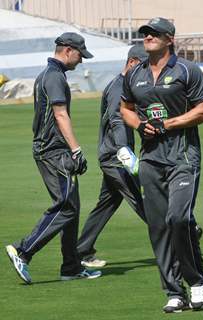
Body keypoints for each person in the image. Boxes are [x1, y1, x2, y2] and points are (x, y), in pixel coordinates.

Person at [120, 17, 203, 313]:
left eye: (154, 34)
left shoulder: (187, 70)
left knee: (179, 219)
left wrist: (169, 124)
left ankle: (196, 282)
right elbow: (125, 109)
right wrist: (140, 125)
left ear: (170, 38)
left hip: (183, 156)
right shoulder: (135, 74)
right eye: (145, 34)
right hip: (150, 159)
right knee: (158, 226)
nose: (148, 37)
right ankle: (174, 292)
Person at [5, 32, 101, 284]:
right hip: (53, 151)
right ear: (68, 50)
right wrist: (76, 149)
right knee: (66, 207)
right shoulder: (55, 77)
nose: (81, 61)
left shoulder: (47, 75)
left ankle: (70, 267)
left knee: (72, 206)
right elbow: (60, 115)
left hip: (50, 149)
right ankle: (23, 251)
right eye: (80, 55)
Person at [77, 45, 148, 268]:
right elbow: (117, 119)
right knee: (142, 199)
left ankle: (81, 251)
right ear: (133, 62)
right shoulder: (119, 87)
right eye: (145, 66)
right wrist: (123, 150)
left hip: (114, 155)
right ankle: (179, 237)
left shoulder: (127, 86)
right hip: (116, 157)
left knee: (106, 204)